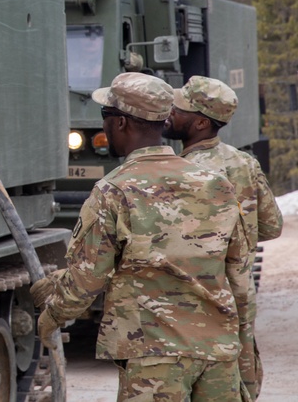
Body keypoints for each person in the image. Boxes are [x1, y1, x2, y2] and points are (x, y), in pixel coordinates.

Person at [31, 72, 251, 401]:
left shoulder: (114, 190)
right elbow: (238, 273)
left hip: (153, 355)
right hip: (218, 352)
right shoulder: (215, 184)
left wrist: (51, 316)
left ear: (120, 123)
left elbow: (87, 280)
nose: (104, 126)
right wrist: (242, 348)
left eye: (105, 117)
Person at [164, 75, 284, 400]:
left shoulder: (179, 172)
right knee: (242, 389)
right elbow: (273, 226)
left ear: (201, 122)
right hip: (240, 298)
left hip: (197, 305)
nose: (169, 112)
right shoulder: (245, 163)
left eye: (179, 108)